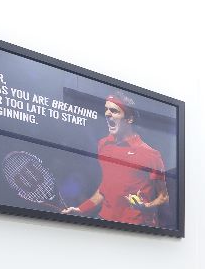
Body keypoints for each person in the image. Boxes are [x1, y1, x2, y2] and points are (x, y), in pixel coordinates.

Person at [63, 93, 169, 226]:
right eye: (106, 109)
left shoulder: (150, 154)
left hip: (137, 228)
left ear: (129, 119)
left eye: (114, 111)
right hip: (104, 221)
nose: (107, 114)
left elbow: (163, 197)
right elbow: (105, 188)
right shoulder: (103, 145)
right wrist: (81, 209)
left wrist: (146, 206)